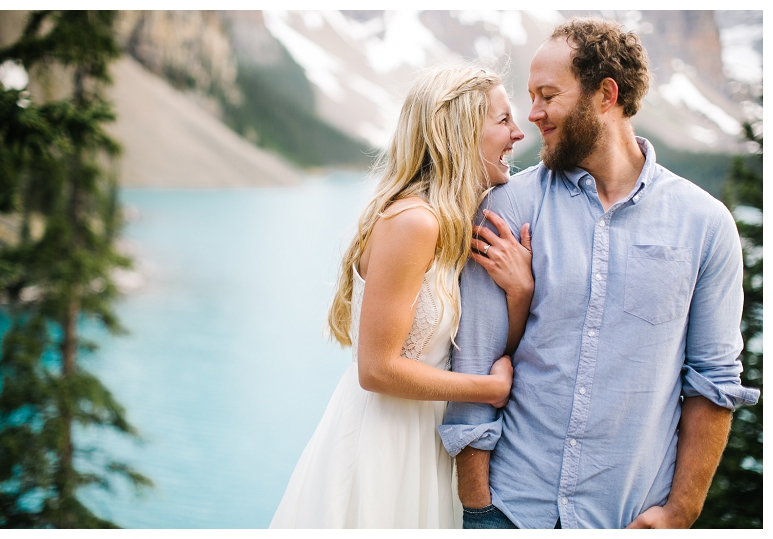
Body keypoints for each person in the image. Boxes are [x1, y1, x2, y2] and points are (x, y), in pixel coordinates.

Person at [439, 17, 760, 529]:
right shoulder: (507, 209)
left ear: (605, 94)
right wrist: (478, 507)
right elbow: (473, 363)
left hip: (627, 519)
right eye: (531, 96)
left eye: (548, 95)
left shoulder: (706, 224)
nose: (533, 114)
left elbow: (714, 381)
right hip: (510, 510)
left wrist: (682, 511)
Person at [269, 66, 532, 528]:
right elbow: (376, 369)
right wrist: (487, 390)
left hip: (427, 440)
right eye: (503, 120)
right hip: (383, 442)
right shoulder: (415, 222)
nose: (518, 133)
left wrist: (520, 290)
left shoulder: (454, 223)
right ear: (462, 129)